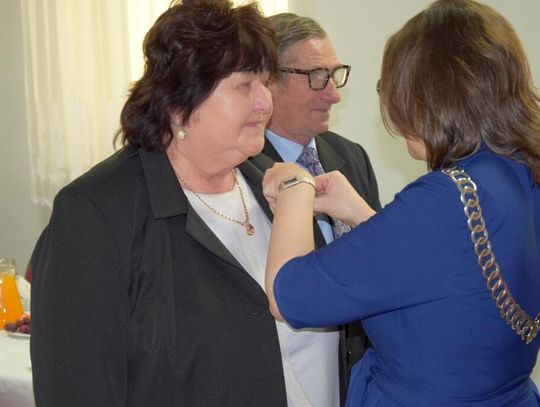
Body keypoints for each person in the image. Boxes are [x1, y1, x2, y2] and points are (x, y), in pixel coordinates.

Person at [29, 1, 330, 406]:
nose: (265, 102)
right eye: (245, 85)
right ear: (179, 104)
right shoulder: (97, 211)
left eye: (265, 82)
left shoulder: (278, 184)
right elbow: (76, 387)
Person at [263, 0, 540, 405]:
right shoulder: (519, 172)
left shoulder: (445, 199)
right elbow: (450, 269)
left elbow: (289, 294)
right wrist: (360, 213)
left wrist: (294, 186)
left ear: (428, 94)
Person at [260, 12, 381, 401]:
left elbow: (379, 269)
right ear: (268, 80)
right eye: (316, 76)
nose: (333, 94)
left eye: (335, 75)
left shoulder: (351, 156)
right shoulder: (245, 171)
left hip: (361, 382)